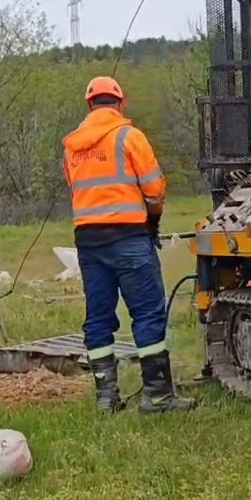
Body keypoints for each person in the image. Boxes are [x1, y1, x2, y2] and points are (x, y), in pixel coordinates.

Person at [61, 75, 194, 414]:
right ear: (120, 103)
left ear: (89, 105)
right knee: (147, 312)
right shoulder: (129, 137)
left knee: (98, 318)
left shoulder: (72, 146)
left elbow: (77, 188)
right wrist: (153, 220)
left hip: (89, 243)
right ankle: (158, 397)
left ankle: (106, 398)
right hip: (129, 238)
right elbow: (154, 189)